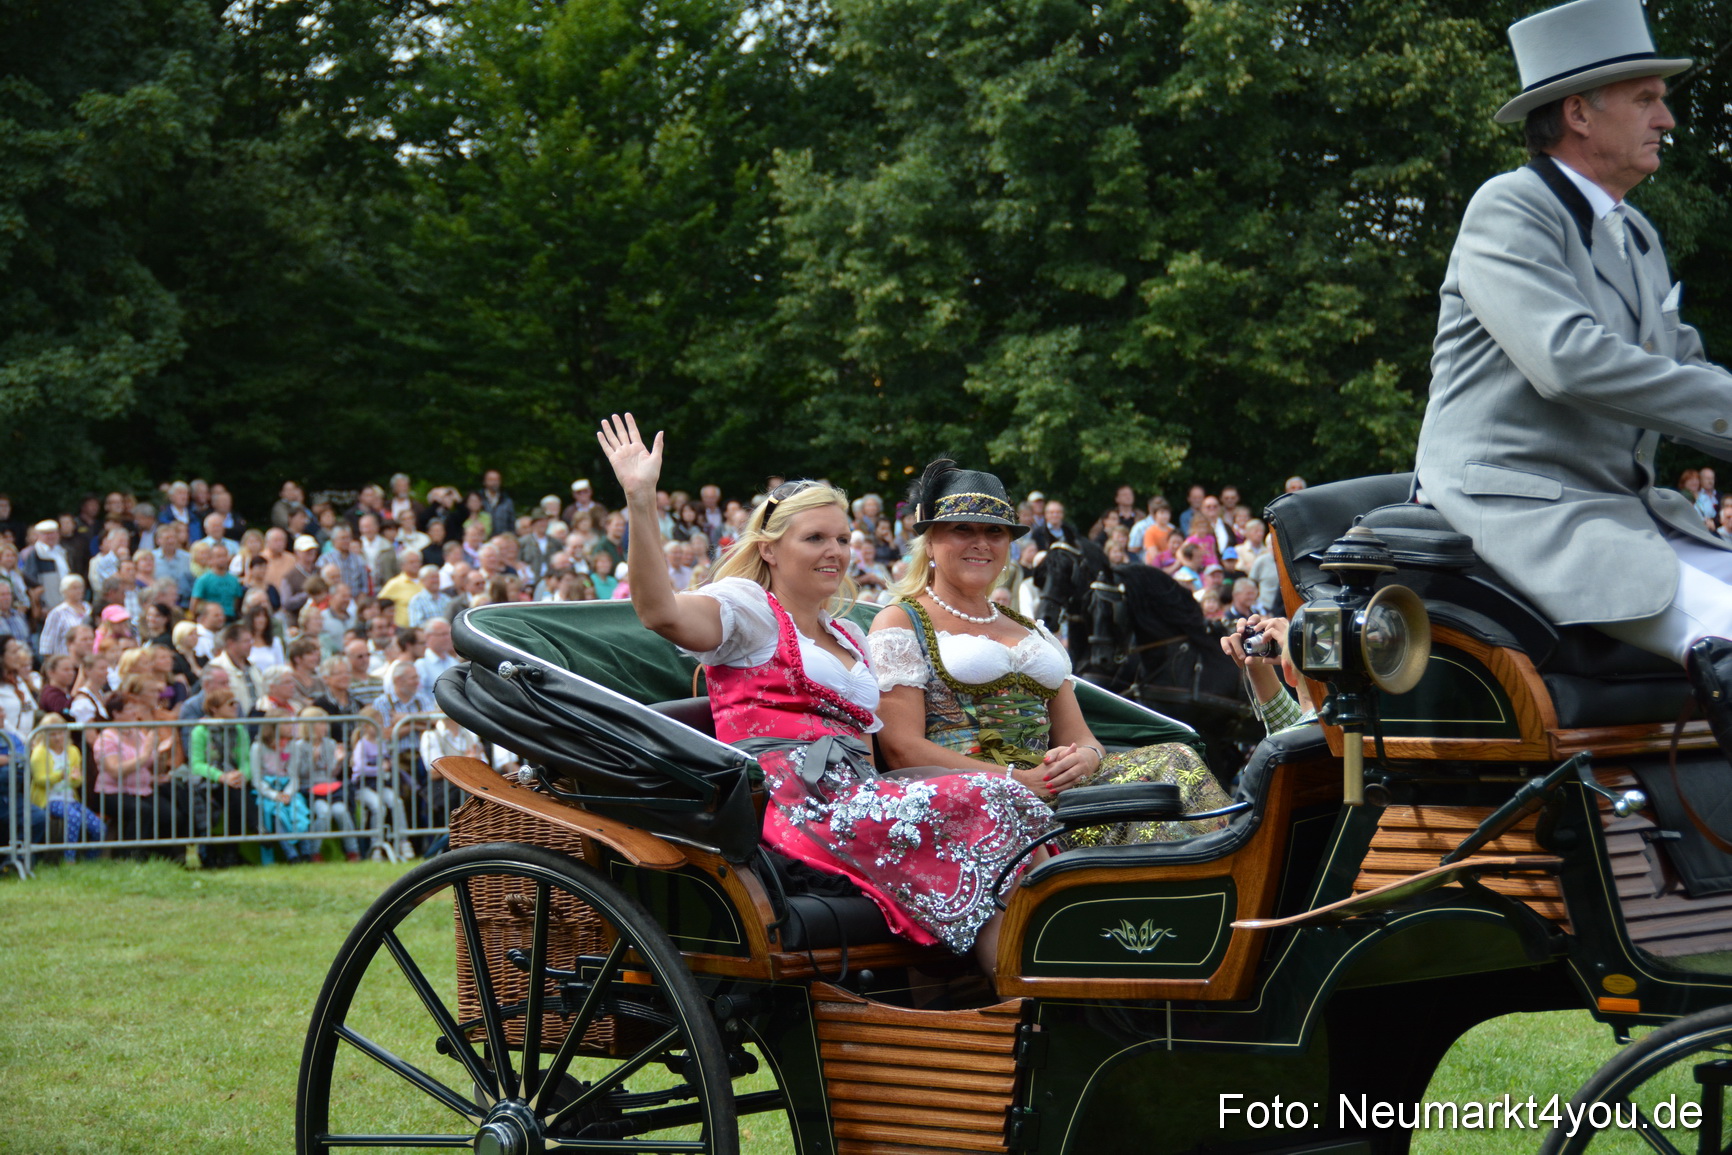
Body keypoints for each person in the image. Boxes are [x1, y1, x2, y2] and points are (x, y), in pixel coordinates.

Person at [599, 413, 1056, 968]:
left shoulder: (848, 635)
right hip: (788, 806)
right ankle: (1019, 997)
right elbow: (658, 610)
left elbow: (870, 754)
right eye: (814, 538)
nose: (834, 552)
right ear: (769, 550)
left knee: (1013, 809)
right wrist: (641, 501)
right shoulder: (748, 612)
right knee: (994, 797)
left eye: (842, 539)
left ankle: (1017, 996)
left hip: (858, 795)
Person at [1410, 0, 1732, 740]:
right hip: (1523, 513)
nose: (1668, 120)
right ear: (1580, 113)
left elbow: (1684, 369)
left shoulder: (1636, 234)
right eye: (1647, 99)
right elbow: (1569, 361)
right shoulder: (1510, 208)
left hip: (1616, 515)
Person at [867, 460, 1231, 848]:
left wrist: (1086, 760)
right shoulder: (901, 620)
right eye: (963, 529)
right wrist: (1016, 779)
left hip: (1055, 793)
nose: (981, 543)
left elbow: (1083, 739)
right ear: (931, 541)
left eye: (995, 531)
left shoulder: (1031, 630)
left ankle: (1230, 882)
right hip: (968, 799)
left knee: (1176, 761)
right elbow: (902, 750)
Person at [29, 714, 106, 860]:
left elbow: (77, 782)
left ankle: (91, 859)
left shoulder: (72, 751)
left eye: (60, 732)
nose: (57, 738)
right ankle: (68, 860)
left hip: (70, 798)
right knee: (74, 817)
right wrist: (60, 775)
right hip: (49, 800)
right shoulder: (40, 752)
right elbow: (40, 780)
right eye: (52, 734)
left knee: (99, 827)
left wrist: (75, 779)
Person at [288, 706, 359, 861]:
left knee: (341, 811)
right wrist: (312, 760)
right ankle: (314, 852)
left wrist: (340, 762)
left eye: (326, 723)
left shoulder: (330, 743)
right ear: (309, 726)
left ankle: (353, 851)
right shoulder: (299, 746)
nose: (325, 727)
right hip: (310, 789)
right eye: (321, 723)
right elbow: (297, 773)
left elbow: (331, 773)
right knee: (324, 812)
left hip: (330, 787)